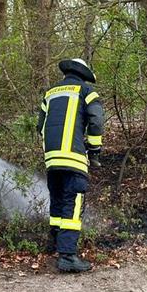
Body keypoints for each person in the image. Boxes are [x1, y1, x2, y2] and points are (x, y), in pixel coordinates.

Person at [36, 58, 104, 272]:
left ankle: (54, 244)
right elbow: (96, 121)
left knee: (57, 201)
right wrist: (94, 150)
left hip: (51, 159)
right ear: (84, 74)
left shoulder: (50, 93)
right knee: (72, 205)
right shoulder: (86, 91)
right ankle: (67, 256)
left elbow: (40, 127)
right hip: (73, 158)